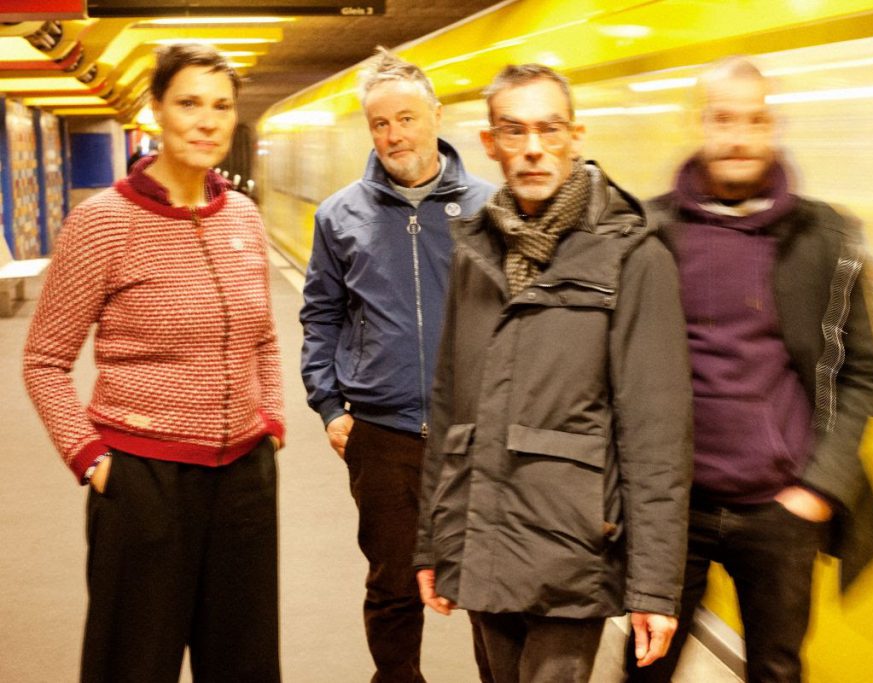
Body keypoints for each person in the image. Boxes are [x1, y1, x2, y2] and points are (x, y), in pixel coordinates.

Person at [413, 64, 693, 683]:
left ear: (576, 136)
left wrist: (653, 586)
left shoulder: (633, 256)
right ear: (490, 143)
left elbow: (656, 434)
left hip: (573, 549)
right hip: (484, 535)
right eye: (514, 131)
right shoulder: (476, 252)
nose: (534, 147)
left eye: (550, 129)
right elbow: (450, 403)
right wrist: (433, 539)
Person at [628, 56, 873, 682]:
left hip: (779, 511)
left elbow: (866, 371)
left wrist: (820, 487)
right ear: (699, 123)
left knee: (776, 670)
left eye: (755, 121)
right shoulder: (649, 231)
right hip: (675, 508)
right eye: (724, 119)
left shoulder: (825, 236)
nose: (739, 137)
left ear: (774, 128)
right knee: (645, 668)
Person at [23, 43, 285, 682]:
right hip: (144, 480)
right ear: (157, 110)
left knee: (246, 665)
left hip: (244, 480)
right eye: (189, 103)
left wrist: (272, 422)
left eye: (221, 106)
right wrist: (92, 459)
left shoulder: (244, 217)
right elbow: (44, 360)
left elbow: (264, 340)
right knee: (134, 664)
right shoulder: (102, 223)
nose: (207, 121)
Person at [299, 47, 492, 683]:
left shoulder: (493, 209)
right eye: (380, 124)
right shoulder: (339, 215)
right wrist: (329, 405)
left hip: (477, 434)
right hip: (383, 436)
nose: (394, 135)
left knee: (492, 588)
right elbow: (321, 315)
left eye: (406, 118)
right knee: (391, 587)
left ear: (436, 115)